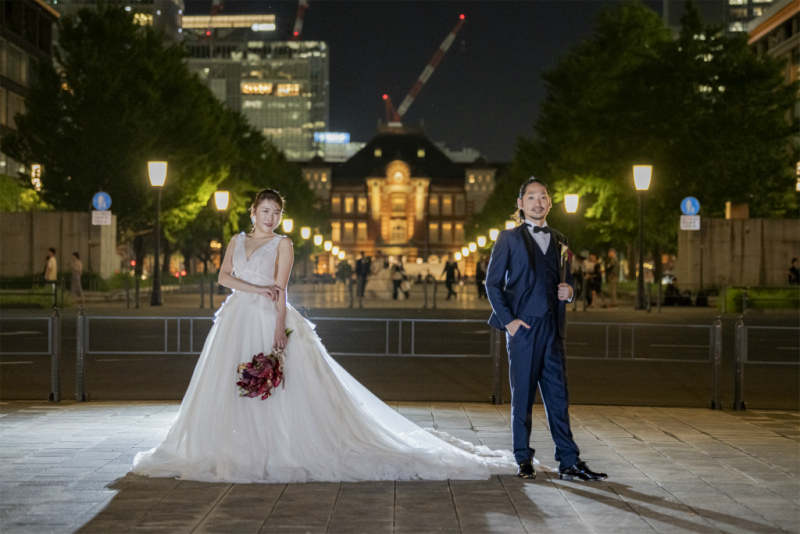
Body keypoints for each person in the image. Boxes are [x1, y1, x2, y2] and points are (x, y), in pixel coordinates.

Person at [131, 189, 514, 483]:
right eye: (265, 211)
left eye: (277, 212)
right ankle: (232, 445)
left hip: (266, 315)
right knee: (229, 382)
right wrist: (255, 289)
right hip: (235, 316)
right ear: (253, 212)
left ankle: (276, 446)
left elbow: (281, 290)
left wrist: (279, 326)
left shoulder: (283, 244)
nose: (271, 217)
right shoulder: (236, 240)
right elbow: (223, 277)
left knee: (277, 385)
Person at [485, 177, 607, 482]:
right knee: (522, 398)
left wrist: (571, 291)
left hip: (553, 329)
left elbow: (567, 278)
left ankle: (569, 460)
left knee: (558, 397)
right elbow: (492, 283)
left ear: (550, 203)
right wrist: (510, 322)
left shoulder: (560, 239)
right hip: (524, 328)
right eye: (531, 197)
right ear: (520, 204)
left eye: (542, 197)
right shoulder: (508, 238)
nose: (537, 202)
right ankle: (523, 458)